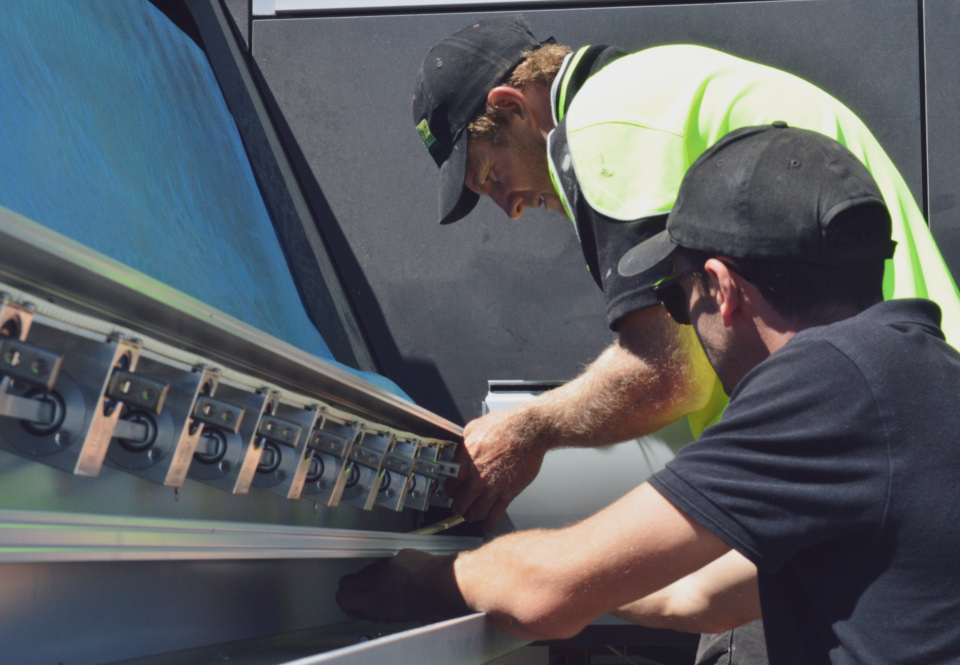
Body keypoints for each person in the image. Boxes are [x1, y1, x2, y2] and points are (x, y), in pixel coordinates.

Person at [338, 124, 960, 664]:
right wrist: (592, 581)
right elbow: (698, 595)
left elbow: (542, 595)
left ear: (721, 288)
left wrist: (426, 577)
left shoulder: (829, 383)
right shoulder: (921, 373)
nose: (685, 319)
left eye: (676, 297)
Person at [412, 17, 960, 534]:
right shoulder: (652, 87)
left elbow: (668, 375)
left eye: (491, 175)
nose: (509, 207)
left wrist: (528, 429)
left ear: (513, 107)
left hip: (866, 434)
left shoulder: (604, 121)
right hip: (907, 404)